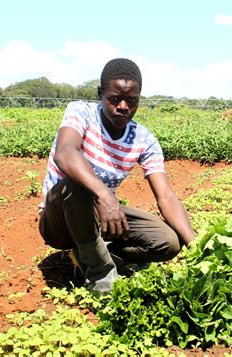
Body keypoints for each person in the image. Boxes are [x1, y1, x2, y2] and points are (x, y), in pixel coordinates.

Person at [38, 58, 195, 292]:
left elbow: (166, 197)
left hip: (99, 215)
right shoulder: (81, 112)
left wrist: (196, 245)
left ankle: (92, 254)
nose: (123, 106)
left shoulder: (143, 139)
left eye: (131, 100)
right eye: (114, 99)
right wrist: (104, 194)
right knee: (77, 184)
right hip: (60, 219)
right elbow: (65, 153)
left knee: (168, 242)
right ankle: (100, 276)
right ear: (101, 93)